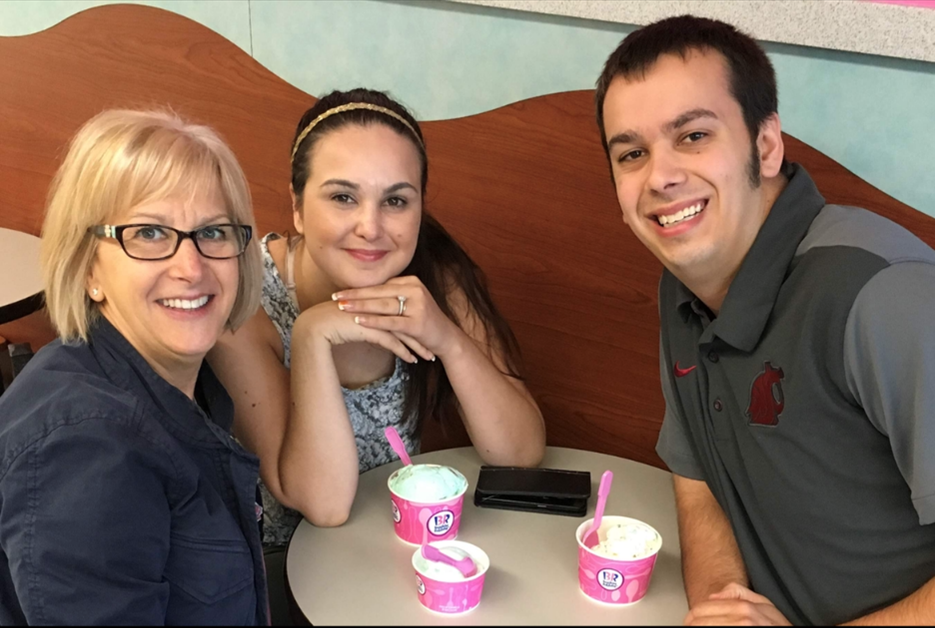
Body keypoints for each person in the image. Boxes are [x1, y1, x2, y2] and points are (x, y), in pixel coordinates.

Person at [595, 15, 935, 626]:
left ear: (767, 145)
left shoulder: (882, 295)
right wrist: (724, 602)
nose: (661, 176)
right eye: (633, 154)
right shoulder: (683, 284)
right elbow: (697, 479)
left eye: (694, 136)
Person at [209, 88, 545, 539]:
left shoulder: (431, 276)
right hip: (272, 572)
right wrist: (312, 335)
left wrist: (445, 337)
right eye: (343, 197)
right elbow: (321, 505)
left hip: (394, 552)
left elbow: (520, 451)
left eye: (396, 201)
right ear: (297, 207)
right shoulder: (245, 299)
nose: (371, 228)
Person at [0, 109, 267, 624]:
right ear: (88, 266)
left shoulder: (186, 382)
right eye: (148, 233)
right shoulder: (85, 449)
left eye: (212, 232)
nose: (191, 267)